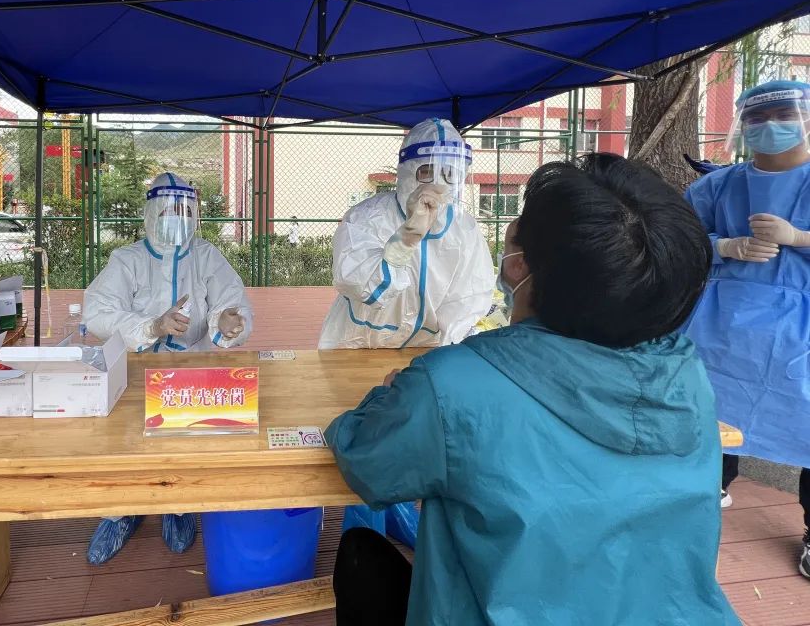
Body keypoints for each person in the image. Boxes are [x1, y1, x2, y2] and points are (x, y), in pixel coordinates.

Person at [326, 154, 738, 626]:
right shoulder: (686, 374)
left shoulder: (453, 384)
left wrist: (396, 394)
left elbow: (366, 459)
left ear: (524, 267)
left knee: (360, 554)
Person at [318, 118, 494, 548]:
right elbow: (360, 285)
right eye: (426, 171)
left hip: (423, 351)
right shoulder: (367, 219)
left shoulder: (465, 230)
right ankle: (363, 527)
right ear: (405, 171)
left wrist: (440, 356)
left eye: (450, 173)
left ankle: (392, 509)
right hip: (358, 345)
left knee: (410, 434)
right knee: (361, 434)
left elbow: (470, 298)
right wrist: (405, 240)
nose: (438, 184)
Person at [82, 172, 253, 564]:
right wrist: (152, 326)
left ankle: (179, 506)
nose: (179, 219)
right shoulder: (128, 260)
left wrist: (229, 323)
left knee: (187, 441)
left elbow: (232, 301)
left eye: (186, 211)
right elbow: (97, 312)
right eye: (169, 211)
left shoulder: (207, 256)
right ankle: (121, 512)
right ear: (151, 213)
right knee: (124, 442)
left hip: (192, 367)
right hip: (136, 368)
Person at [682, 79, 810, 576]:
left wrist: (799, 237)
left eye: (784, 115)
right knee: (712, 417)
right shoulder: (718, 186)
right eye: (757, 118)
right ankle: (699, 501)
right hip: (723, 326)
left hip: (800, 333)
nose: (770, 126)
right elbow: (675, 237)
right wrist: (723, 246)